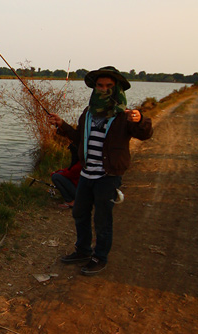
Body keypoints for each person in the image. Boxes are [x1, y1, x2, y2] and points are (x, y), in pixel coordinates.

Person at [48, 65, 152, 276]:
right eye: (100, 85)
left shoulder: (125, 115)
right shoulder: (88, 113)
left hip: (108, 176)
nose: (103, 89)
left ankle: (99, 257)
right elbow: (79, 139)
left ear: (117, 89)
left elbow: (145, 134)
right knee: (80, 213)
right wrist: (61, 125)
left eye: (109, 86)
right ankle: (83, 251)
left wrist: (140, 120)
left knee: (103, 219)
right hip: (87, 174)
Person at [51, 143, 81, 208]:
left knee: (55, 177)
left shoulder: (78, 166)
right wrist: (58, 171)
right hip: (81, 190)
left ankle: (70, 201)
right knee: (59, 174)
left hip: (80, 193)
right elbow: (68, 170)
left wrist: (54, 173)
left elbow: (68, 174)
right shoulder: (81, 162)